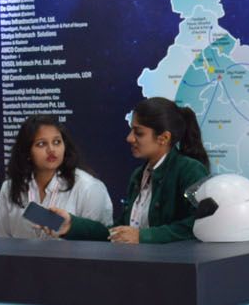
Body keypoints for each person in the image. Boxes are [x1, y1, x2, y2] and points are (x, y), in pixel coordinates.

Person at [64, 97, 211, 245]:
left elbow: (199, 223)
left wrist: (143, 236)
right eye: (131, 130)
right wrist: (72, 225)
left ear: (164, 138)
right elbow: (118, 232)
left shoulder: (190, 170)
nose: (129, 138)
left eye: (139, 133)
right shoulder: (138, 175)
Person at [0, 117, 111, 240]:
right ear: (27, 151)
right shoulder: (10, 188)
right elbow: (1, 240)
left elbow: (99, 240)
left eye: (57, 142)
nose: (51, 149)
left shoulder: (89, 188)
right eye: (41, 144)